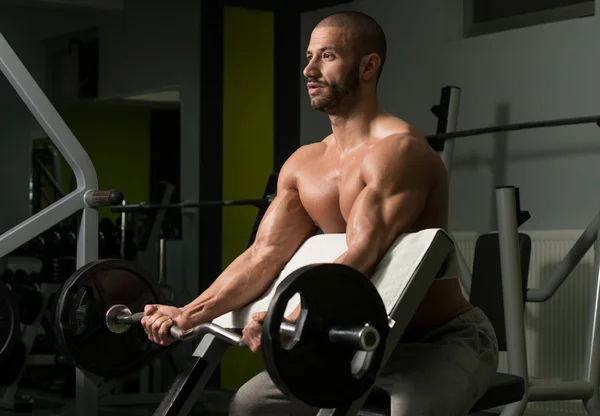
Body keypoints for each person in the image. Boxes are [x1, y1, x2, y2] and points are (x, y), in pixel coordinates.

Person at [141, 11, 499, 416]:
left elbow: (364, 256)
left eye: (326, 56)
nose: (309, 69)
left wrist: (287, 317)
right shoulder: (304, 164)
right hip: (348, 340)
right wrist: (188, 314)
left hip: (437, 341)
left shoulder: (400, 152)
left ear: (368, 66)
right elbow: (264, 254)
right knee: (250, 405)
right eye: (309, 57)